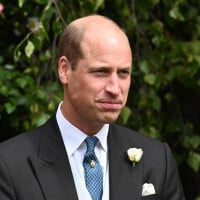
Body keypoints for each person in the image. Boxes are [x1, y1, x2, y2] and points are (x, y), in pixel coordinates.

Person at [0, 15, 185, 200]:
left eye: (123, 73)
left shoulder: (158, 160)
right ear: (65, 70)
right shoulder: (9, 164)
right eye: (100, 72)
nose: (114, 88)